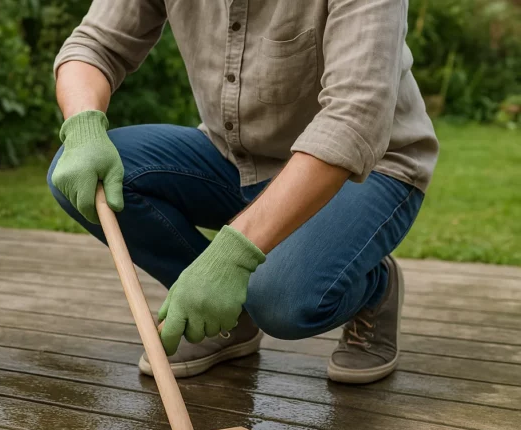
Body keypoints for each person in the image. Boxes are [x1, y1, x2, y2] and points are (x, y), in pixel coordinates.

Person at [47, 0, 438, 384]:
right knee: (82, 174)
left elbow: (353, 119)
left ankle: (374, 286)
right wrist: (82, 127)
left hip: (367, 167)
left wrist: (232, 255)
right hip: (235, 158)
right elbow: (95, 46)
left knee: (279, 301)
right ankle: (225, 319)